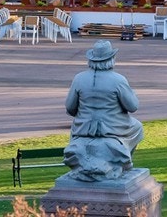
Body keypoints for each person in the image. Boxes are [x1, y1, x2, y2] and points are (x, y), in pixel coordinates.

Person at [62, 40, 144, 182]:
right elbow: (133, 106)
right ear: (111, 59)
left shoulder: (79, 79)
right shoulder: (118, 80)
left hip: (84, 128)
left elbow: (70, 108)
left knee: (74, 127)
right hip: (114, 128)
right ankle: (123, 164)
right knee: (138, 127)